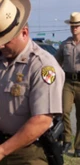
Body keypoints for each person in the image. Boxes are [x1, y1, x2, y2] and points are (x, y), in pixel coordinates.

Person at [0, 0, 65, 164]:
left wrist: (2, 150)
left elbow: (42, 120)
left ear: (24, 32)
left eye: (6, 40)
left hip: (31, 152)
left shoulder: (43, 66)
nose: (0, 46)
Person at [55, 12, 80, 157]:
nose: (74, 28)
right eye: (72, 26)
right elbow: (55, 63)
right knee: (64, 111)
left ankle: (78, 147)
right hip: (68, 82)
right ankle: (66, 141)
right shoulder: (65, 44)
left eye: (77, 26)